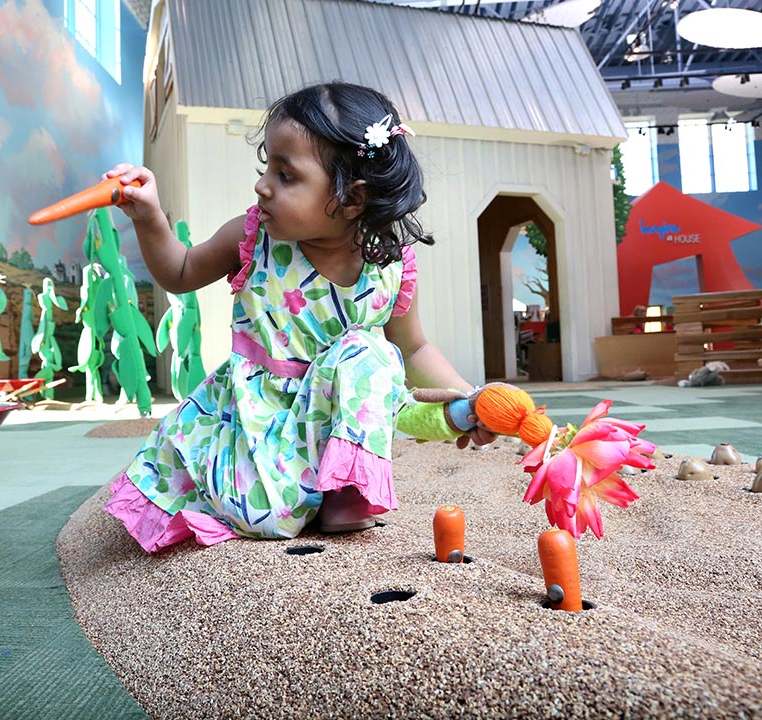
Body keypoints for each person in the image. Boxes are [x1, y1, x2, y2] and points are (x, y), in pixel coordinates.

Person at [102, 82, 495, 553]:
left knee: (370, 352)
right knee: (264, 515)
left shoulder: (391, 264)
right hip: (260, 423)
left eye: (286, 175)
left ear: (352, 199)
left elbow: (413, 349)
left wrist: (472, 398)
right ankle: (284, 496)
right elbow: (181, 271)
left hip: (331, 423)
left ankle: (346, 492)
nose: (262, 184)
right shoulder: (252, 237)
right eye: (267, 165)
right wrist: (148, 218)